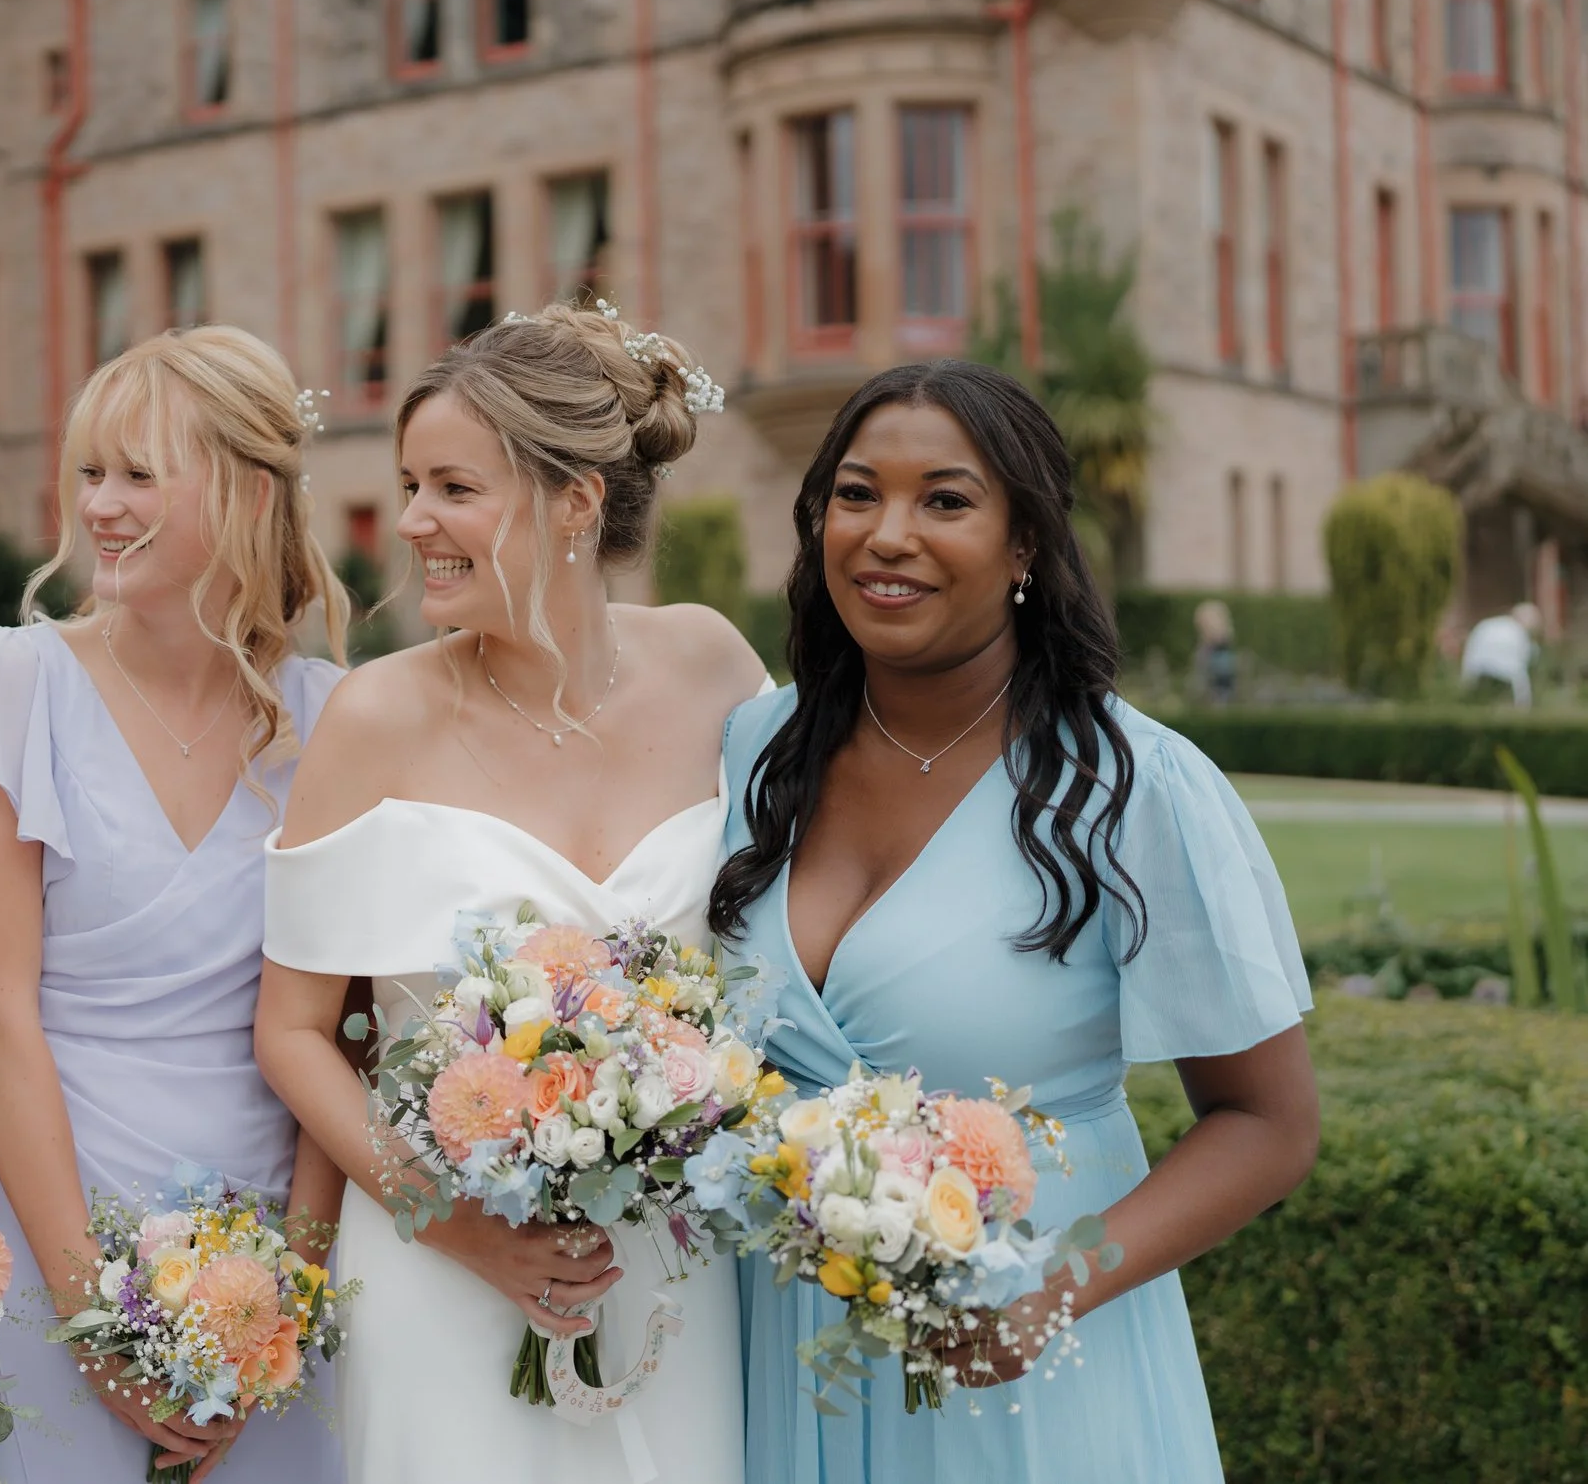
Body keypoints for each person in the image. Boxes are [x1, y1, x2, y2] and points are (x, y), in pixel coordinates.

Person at [711, 360, 1319, 1484]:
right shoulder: (752, 751)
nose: (887, 534)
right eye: (855, 494)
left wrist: (1052, 1285)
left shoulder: (1133, 786)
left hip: (1030, 1370)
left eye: (944, 499)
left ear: (1025, 542)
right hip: (777, 1349)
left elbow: (1266, 1122)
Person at [254, 302, 770, 1483]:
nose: (413, 521)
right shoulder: (373, 714)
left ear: (574, 502)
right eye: (409, 484)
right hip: (440, 1270)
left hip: (668, 1270)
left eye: (452, 488)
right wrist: (459, 1225)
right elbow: (291, 1031)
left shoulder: (714, 665)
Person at [0, 326, 352, 1484]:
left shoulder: (332, 719)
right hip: (56, 1225)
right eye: (90, 473)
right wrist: (92, 1327)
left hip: (269, 1244)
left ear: (251, 491)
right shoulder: (13, 684)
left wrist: (288, 1295)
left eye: (138, 475)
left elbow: (343, 1027)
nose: (98, 506)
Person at [1460, 602, 1540, 706]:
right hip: (1509, 671)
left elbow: (1470, 649)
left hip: (1478, 665)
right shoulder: (1517, 631)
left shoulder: (1487, 624)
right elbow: (1525, 656)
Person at [1192, 597, 1237, 704]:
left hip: (1218, 676)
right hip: (1215, 675)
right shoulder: (1218, 641)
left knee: (1219, 696)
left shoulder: (1219, 642)